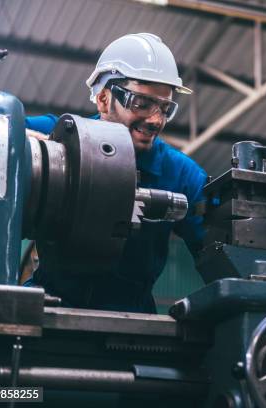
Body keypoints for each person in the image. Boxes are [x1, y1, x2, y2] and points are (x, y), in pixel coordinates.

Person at [24, 33, 207, 314]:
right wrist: (44, 146)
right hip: (47, 304)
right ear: (103, 98)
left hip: (131, 320)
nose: (156, 119)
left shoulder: (182, 175)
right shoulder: (60, 136)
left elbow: (218, 252)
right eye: (141, 103)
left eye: (165, 108)